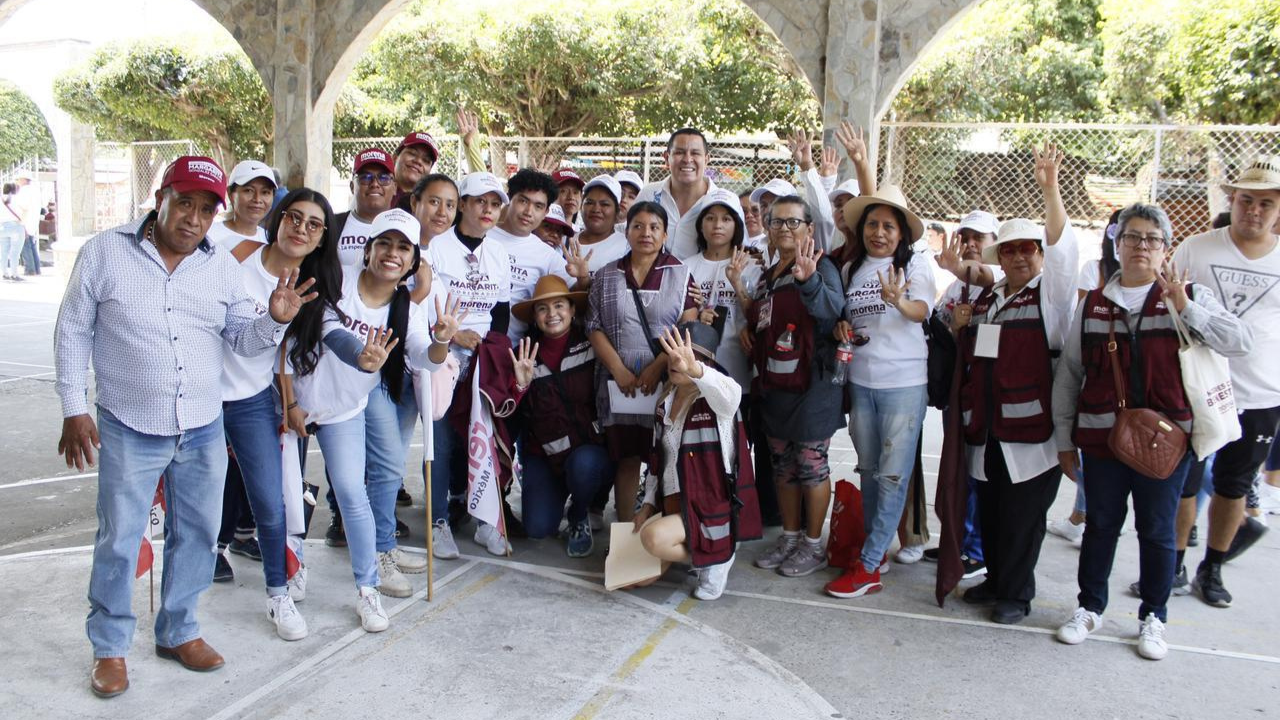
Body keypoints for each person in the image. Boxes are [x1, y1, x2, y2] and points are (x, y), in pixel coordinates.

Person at [55, 156, 315, 698]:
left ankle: (178, 629)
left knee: (196, 533)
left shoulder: (220, 264)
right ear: (161, 200)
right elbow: (73, 331)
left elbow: (244, 340)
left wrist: (275, 318)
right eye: (185, 203)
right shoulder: (105, 252)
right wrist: (74, 407)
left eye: (206, 208)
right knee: (121, 540)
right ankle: (109, 647)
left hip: (201, 424)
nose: (194, 219)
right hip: (129, 424)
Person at [1053, 203, 1250, 660]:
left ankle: (1153, 616)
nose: (1142, 246)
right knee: (1100, 526)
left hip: (1168, 444)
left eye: (1152, 239)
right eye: (1132, 237)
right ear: (1116, 244)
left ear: (1166, 248)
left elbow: (1239, 342)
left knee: (1158, 531)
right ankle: (1089, 607)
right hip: (1102, 441)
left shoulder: (1190, 295)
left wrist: (1190, 311)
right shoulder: (1093, 303)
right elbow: (1069, 375)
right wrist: (1065, 440)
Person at [292, 208, 461, 627]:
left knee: (352, 492)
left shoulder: (407, 306)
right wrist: (360, 356)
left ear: (413, 261)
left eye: (403, 247)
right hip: (292, 400)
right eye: (384, 243)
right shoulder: (337, 279)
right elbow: (325, 331)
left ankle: (367, 589)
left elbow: (426, 356)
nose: (392, 253)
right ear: (366, 250)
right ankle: (285, 579)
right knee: (281, 496)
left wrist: (442, 339)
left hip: (344, 408)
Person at [948, 145, 1078, 624]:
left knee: (1024, 519)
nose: (1020, 256)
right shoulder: (992, 297)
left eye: (1029, 248)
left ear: (1040, 254)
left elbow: (1065, 255)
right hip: (988, 428)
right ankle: (998, 580)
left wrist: (1050, 189)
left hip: (1031, 435)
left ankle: (1017, 595)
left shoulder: (1051, 296)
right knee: (996, 512)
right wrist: (961, 327)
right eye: (1011, 248)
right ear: (999, 256)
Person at [217, 187, 343, 640]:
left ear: (321, 239)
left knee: (271, 503)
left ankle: (278, 594)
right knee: (194, 506)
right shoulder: (232, 259)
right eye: (295, 217)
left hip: (251, 398)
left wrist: (289, 403)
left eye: (314, 224)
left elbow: (284, 356)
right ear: (278, 218)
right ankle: (183, 604)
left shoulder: (311, 285)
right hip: (199, 397)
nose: (301, 228)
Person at [1172, 157, 1280, 608]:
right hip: (1196, 388)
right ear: (1231, 200)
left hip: (1259, 393)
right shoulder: (1197, 248)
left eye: (1266, 203)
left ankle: (1212, 568)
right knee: (1184, 483)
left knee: (1235, 486)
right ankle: (1171, 563)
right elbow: (1168, 303)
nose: (1253, 210)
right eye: (1246, 199)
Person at [824, 185, 937, 598]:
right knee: (869, 470)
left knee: (892, 474)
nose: (879, 232)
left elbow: (922, 310)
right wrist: (842, 328)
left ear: (902, 233)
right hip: (862, 381)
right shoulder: (851, 269)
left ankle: (869, 565)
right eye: (872, 224)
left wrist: (898, 301)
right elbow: (846, 319)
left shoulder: (917, 265)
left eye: (889, 226)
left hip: (904, 383)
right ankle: (876, 550)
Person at [748, 196, 845, 578]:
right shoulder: (768, 274)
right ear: (768, 229)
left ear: (808, 228)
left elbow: (831, 310)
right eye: (777, 223)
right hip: (776, 383)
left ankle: (812, 543)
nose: (785, 229)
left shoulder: (822, 266)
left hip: (813, 386)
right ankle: (789, 537)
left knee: (810, 464)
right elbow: (763, 320)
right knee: (783, 466)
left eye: (793, 223)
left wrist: (808, 282)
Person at [633, 324, 763, 601]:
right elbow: (659, 462)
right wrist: (647, 504)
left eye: (688, 355)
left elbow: (733, 394)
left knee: (652, 539)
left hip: (708, 503)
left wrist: (696, 371)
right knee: (641, 578)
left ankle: (717, 557)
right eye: (671, 354)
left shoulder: (716, 400)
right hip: (674, 502)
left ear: (706, 363)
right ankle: (705, 551)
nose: (676, 361)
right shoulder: (665, 401)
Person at [587, 201, 698, 522]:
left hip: (668, 378)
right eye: (638, 226)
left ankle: (662, 531)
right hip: (619, 384)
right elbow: (593, 326)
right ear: (627, 231)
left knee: (667, 456)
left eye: (654, 227)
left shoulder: (680, 273)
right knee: (627, 457)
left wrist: (656, 367)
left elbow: (688, 327)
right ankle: (624, 530)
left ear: (665, 234)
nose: (645, 233)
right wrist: (619, 370)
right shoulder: (607, 275)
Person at [427, 172, 513, 556]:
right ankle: (437, 520)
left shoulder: (498, 253)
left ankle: (483, 520)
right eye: (480, 201)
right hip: (443, 354)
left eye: (495, 204)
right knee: (441, 441)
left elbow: (502, 312)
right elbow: (420, 304)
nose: (487, 210)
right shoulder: (436, 247)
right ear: (462, 203)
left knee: (479, 439)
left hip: (482, 359)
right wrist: (451, 335)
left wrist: (491, 351)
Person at [508, 275, 614, 556]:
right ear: (534, 316)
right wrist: (520, 385)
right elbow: (512, 413)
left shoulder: (592, 345)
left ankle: (580, 513)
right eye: (542, 308)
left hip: (587, 453)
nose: (552, 314)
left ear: (572, 309)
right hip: (544, 455)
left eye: (559, 306)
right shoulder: (524, 353)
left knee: (586, 465)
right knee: (537, 529)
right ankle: (559, 499)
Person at [919, 209, 1000, 576]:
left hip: (985, 394)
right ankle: (957, 541)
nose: (969, 244)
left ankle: (979, 549)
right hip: (958, 389)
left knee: (980, 471)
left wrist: (956, 268)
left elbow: (982, 274)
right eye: (964, 236)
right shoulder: (956, 285)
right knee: (958, 469)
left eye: (977, 239)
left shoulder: (995, 278)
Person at [636, 129, 717, 226]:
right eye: (679, 152)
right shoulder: (648, 195)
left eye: (695, 153)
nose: (687, 160)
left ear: (706, 160)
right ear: (666, 158)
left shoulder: (720, 202)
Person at [336, 148, 396, 270]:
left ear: (395, 187)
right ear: (352, 187)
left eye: (384, 178)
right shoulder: (333, 225)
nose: (375, 184)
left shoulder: (404, 229)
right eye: (365, 177)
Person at [207, 160, 276, 249]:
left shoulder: (270, 241)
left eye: (265, 192)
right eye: (248, 190)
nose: (257, 199)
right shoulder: (208, 235)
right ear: (230, 194)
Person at [574, 175, 630, 275]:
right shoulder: (566, 242)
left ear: (617, 211)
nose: (596, 209)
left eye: (605, 204)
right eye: (589, 202)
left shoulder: (627, 247)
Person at [391, 132, 439, 208]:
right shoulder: (375, 191)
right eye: (412, 153)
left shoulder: (432, 203)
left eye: (426, 160)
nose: (418, 161)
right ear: (395, 158)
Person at [12, 170, 41, 275]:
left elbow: (22, 207)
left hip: (25, 221)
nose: (18, 181)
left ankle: (30, 269)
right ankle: (36, 268)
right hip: (32, 221)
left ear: (24, 180)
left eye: (19, 179)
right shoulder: (35, 190)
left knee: (25, 246)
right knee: (31, 246)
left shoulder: (24, 191)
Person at [1, 181, 24, 281]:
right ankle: (14, 274)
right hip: (15, 226)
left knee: (3, 252)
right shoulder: (17, 199)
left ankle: (4, 273)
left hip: (2, 227)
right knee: (15, 252)